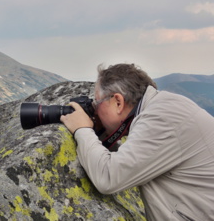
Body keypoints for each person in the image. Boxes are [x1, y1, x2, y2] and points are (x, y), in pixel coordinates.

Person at [60, 63, 214, 220]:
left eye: (97, 103)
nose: (95, 112)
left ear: (118, 102)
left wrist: (82, 129)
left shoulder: (161, 118)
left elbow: (108, 178)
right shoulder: (165, 106)